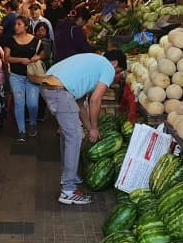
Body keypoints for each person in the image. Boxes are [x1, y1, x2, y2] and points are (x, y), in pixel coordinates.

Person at [39, 50, 126, 205]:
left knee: (69, 134)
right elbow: (95, 100)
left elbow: (79, 103)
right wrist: (94, 128)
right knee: (74, 137)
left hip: (48, 85)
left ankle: (68, 176)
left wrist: (89, 127)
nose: (114, 77)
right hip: (59, 90)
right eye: (118, 72)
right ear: (115, 64)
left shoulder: (93, 64)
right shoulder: (108, 68)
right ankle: (68, 191)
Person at [2, 16, 45, 143]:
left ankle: (32, 123)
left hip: (32, 76)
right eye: (15, 24)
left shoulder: (35, 40)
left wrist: (37, 58)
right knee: (19, 103)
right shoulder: (10, 40)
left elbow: (43, 53)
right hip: (16, 77)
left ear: (26, 26)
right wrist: (20, 60)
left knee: (33, 103)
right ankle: (21, 130)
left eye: (19, 24)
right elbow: (6, 58)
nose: (16, 26)